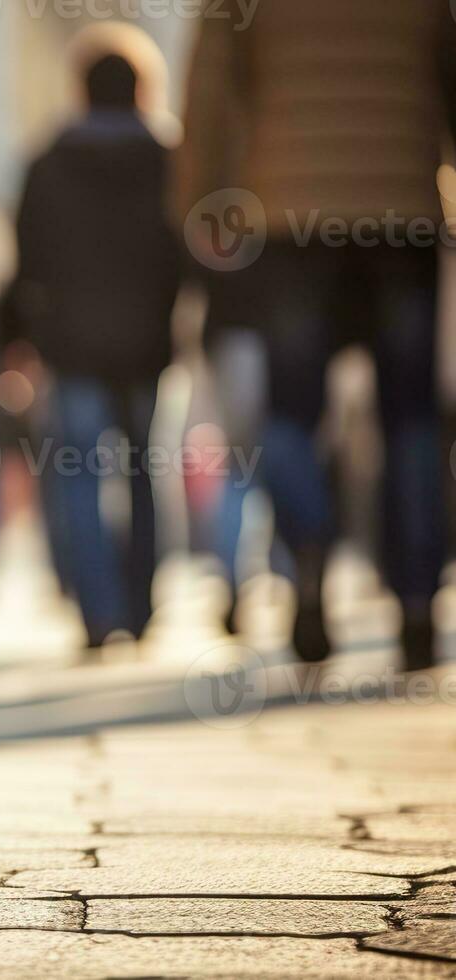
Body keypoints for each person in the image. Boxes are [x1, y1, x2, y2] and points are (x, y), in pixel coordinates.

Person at [176, 0, 456, 669]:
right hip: (402, 210)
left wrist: (197, 211)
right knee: (412, 418)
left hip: (291, 218)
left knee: (293, 414)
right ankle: (418, 601)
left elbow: (209, 94)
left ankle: (305, 564)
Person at [4, 25, 182, 651]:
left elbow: (24, 260)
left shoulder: (47, 160)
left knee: (78, 473)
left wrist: (15, 339)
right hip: (146, 341)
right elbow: (185, 251)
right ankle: (141, 605)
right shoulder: (170, 157)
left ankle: (98, 612)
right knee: (142, 471)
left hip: (72, 343)